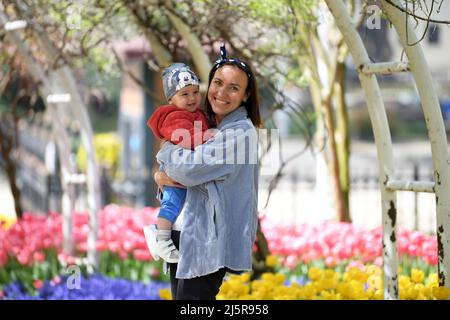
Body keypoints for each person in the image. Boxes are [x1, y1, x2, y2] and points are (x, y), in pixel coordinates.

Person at [154, 44, 262, 300]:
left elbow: (188, 171)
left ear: (246, 96)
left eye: (234, 88)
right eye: (218, 82)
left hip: (206, 242)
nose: (222, 93)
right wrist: (161, 175)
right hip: (187, 234)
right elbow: (182, 176)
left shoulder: (240, 133)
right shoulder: (206, 123)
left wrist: (166, 149)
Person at [144, 63, 212, 263]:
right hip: (174, 170)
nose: (192, 98)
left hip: (185, 169)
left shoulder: (196, 114)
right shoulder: (173, 116)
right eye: (185, 94)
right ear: (171, 99)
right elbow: (186, 138)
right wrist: (209, 136)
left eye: (195, 92)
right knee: (172, 203)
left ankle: (157, 233)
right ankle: (162, 239)